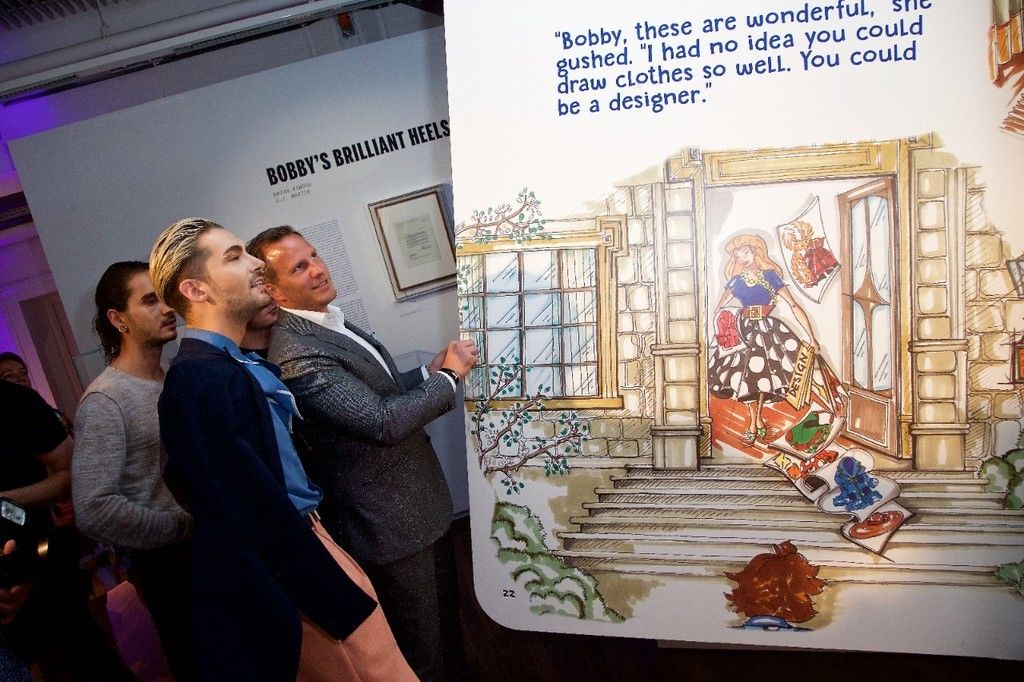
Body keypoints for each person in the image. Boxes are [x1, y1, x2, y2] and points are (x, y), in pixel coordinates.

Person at [149, 217, 414, 681]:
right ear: (196, 290)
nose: (255, 264)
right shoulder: (197, 380)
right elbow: (248, 509)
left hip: (308, 546)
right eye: (234, 257)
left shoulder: (227, 365)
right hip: (296, 565)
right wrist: (330, 598)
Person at [248, 225, 476, 681]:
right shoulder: (296, 352)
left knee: (448, 632)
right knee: (421, 654)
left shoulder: (326, 320)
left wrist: (426, 374)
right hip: (390, 529)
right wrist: (449, 379)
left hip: (419, 509)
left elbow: (374, 393)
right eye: (299, 267)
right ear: (273, 290)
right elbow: (380, 421)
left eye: (314, 255)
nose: (318, 269)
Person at [71, 261, 195, 680]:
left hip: (204, 551)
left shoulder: (173, 376)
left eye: (164, 297)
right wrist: (180, 528)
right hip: (169, 565)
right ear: (118, 319)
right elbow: (93, 508)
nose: (167, 308)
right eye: (150, 300)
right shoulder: (106, 400)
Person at [0, 378, 135, 682]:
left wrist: (5, 501)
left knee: (85, 659)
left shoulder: (14, 401)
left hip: (40, 566)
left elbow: (72, 471)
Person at [709, 233, 818, 444]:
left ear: (755, 252)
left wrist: (811, 337)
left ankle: (755, 421)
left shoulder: (770, 276)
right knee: (745, 376)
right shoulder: (735, 282)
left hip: (766, 331)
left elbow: (794, 305)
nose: (742, 259)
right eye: (737, 256)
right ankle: (755, 421)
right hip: (743, 331)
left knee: (760, 375)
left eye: (745, 253)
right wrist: (725, 326)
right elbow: (719, 309)